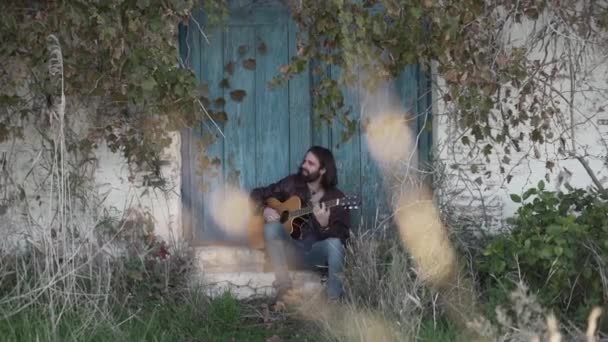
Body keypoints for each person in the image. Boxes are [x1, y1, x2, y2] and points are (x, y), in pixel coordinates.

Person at [249, 146, 350, 302]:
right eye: (305, 161)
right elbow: (256, 194)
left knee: (335, 244)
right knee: (271, 228)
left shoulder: (337, 198)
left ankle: (334, 300)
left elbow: (343, 238)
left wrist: (324, 226)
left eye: (310, 163)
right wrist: (264, 210)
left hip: (315, 255)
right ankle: (284, 289)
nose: (304, 165)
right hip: (291, 250)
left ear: (323, 170)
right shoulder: (291, 184)